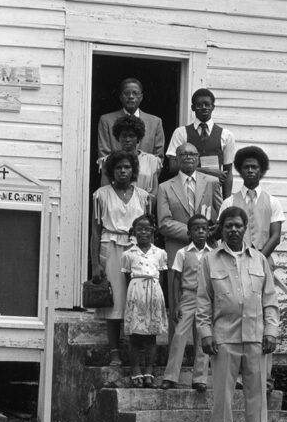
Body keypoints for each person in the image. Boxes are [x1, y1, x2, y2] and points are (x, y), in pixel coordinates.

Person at [197, 207, 282, 422]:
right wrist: (205, 333)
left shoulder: (260, 260)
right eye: (228, 226)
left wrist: (271, 330)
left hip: (256, 337)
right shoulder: (209, 260)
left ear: (245, 228)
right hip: (224, 337)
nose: (233, 229)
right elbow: (203, 300)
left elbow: (270, 299)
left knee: (257, 393)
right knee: (223, 394)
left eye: (238, 225)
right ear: (221, 229)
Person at [219, 145, 285, 391]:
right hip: (232, 265)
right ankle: (236, 376)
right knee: (236, 316)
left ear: (261, 170)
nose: (250, 171)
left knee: (262, 320)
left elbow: (275, 236)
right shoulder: (229, 201)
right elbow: (223, 233)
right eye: (246, 167)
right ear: (240, 170)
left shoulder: (273, 201)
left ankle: (263, 378)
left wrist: (255, 258)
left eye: (254, 167)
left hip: (262, 266)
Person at [90, 150, 153, 367]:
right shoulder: (101, 195)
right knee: (114, 301)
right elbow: (96, 231)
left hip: (137, 250)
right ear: (111, 171)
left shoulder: (144, 196)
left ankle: (136, 351)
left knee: (136, 299)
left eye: (127, 167)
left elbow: (149, 229)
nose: (123, 171)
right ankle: (114, 351)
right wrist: (95, 264)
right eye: (118, 167)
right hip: (111, 247)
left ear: (133, 170)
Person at [161, 214, 213, 391]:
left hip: (205, 299)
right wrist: (175, 304)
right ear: (189, 233)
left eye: (204, 229)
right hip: (188, 297)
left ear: (208, 232)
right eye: (196, 229)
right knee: (179, 335)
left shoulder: (212, 254)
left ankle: (200, 379)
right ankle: (170, 376)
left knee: (202, 337)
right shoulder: (182, 253)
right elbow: (176, 279)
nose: (200, 231)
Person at [120, 214, 168, 388]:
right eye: (140, 229)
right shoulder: (128, 254)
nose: (143, 232)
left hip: (154, 293)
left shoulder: (160, 253)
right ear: (134, 232)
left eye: (147, 229)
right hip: (136, 293)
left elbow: (160, 277)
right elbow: (127, 277)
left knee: (151, 336)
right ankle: (135, 369)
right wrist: (134, 296)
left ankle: (149, 370)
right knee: (135, 335)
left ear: (153, 230)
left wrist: (155, 294)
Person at [155, 142, 221, 266]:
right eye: (184, 154)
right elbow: (164, 223)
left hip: (207, 249)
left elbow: (221, 216)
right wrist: (195, 233)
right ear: (176, 159)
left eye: (192, 154)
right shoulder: (164, 187)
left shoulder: (212, 183)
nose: (188, 157)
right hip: (177, 249)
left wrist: (212, 231)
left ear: (198, 158)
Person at [166, 89, 236, 197]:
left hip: (213, 193)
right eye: (199, 105)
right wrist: (208, 172)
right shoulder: (181, 133)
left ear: (213, 107)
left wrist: (226, 203)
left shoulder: (226, 135)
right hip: (186, 191)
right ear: (193, 108)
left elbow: (228, 173)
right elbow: (173, 167)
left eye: (207, 104)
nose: (204, 107)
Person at [97, 78, 166, 159]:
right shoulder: (106, 121)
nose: (131, 96)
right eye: (127, 93)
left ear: (141, 97)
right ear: (120, 97)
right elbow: (104, 158)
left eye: (135, 93)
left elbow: (158, 159)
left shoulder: (155, 122)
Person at [98, 115, 163, 196]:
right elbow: (105, 191)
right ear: (118, 137)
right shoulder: (108, 160)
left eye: (131, 136)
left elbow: (154, 191)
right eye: (124, 136)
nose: (127, 139)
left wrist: (145, 206)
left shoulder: (152, 160)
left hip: (145, 205)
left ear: (138, 138)